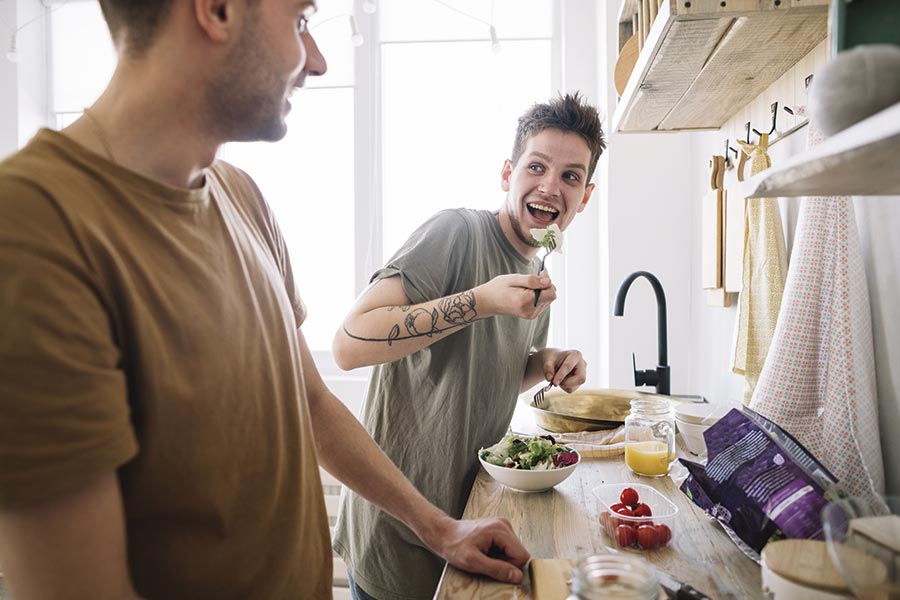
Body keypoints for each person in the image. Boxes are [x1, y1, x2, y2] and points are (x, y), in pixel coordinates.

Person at [0, 1, 532, 598]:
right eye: (302, 19)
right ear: (218, 11)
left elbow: (308, 400)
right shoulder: (32, 229)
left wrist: (440, 528)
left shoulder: (240, 194)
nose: (320, 61)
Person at [332, 92, 607, 600]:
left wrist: (544, 364)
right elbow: (350, 342)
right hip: (397, 533)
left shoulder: (537, 271)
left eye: (570, 176)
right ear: (508, 173)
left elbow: (493, 369)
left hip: (467, 524)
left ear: (584, 196)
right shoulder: (455, 232)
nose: (550, 187)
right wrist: (480, 301)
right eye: (537, 166)